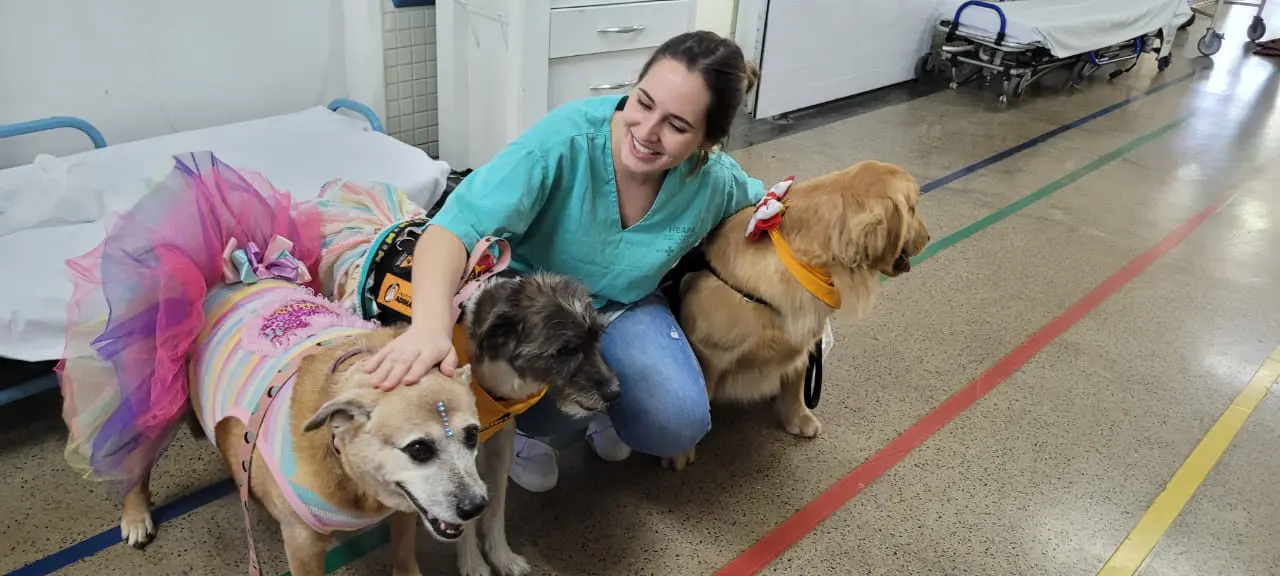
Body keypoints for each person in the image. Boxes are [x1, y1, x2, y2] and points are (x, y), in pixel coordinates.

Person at [361, 30, 767, 492]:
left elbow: (767, 209)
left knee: (676, 421)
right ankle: (525, 431)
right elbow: (450, 230)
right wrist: (429, 328)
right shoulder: (563, 141)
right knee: (520, 375)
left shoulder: (715, 182)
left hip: (624, 305)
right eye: (643, 102)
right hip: (536, 309)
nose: (646, 132)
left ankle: (599, 409)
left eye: (676, 126)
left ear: (707, 142)